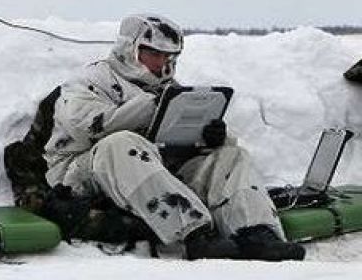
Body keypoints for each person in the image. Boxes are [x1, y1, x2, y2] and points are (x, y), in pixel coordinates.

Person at [40, 14, 304, 260]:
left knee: (230, 155)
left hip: (149, 171)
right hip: (78, 175)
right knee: (120, 144)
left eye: (168, 56)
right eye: (154, 53)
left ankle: (255, 233)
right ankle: (194, 236)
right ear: (130, 49)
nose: (162, 63)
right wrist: (149, 107)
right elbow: (88, 127)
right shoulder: (89, 80)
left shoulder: (167, 89)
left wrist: (212, 138)